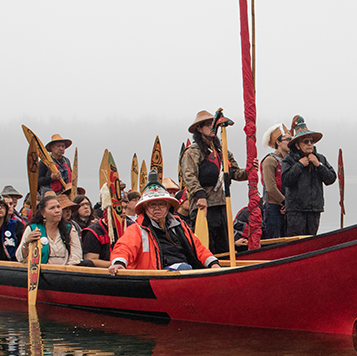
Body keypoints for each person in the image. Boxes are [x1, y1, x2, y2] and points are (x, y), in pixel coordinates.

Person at [108, 181, 220, 275]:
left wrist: (213, 264)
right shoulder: (136, 229)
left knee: (186, 268)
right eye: (152, 205)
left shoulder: (180, 226)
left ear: (168, 207)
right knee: (184, 268)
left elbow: (199, 248)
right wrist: (119, 263)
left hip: (185, 272)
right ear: (145, 208)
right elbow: (124, 248)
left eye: (161, 204)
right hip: (156, 277)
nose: (157, 208)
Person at [179, 110, 249, 254]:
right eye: (208, 125)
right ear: (199, 128)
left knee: (224, 245)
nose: (213, 128)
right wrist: (200, 196)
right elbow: (189, 177)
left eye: (214, 125)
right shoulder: (192, 152)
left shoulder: (223, 151)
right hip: (202, 207)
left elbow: (235, 173)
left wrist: (250, 171)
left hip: (222, 204)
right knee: (207, 246)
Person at [279, 116, 337, 236]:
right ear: (297, 145)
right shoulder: (289, 160)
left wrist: (318, 165)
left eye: (311, 141)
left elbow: (331, 178)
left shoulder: (320, 158)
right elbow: (286, 180)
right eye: (306, 142)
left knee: (312, 240)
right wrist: (299, 165)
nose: (309, 144)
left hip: (314, 209)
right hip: (296, 210)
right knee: (295, 242)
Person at [16, 193, 82, 266]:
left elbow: (76, 255)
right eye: (52, 208)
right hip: (40, 273)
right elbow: (21, 258)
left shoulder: (69, 229)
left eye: (58, 207)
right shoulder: (33, 229)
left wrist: (67, 270)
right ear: (43, 213)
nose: (57, 210)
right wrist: (26, 242)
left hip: (65, 273)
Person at [260, 123, 291, 239]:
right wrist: (284, 202)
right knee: (275, 239)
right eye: (287, 139)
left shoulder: (289, 161)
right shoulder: (270, 160)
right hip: (273, 207)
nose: (290, 142)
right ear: (278, 142)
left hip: (287, 206)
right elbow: (270, 187)